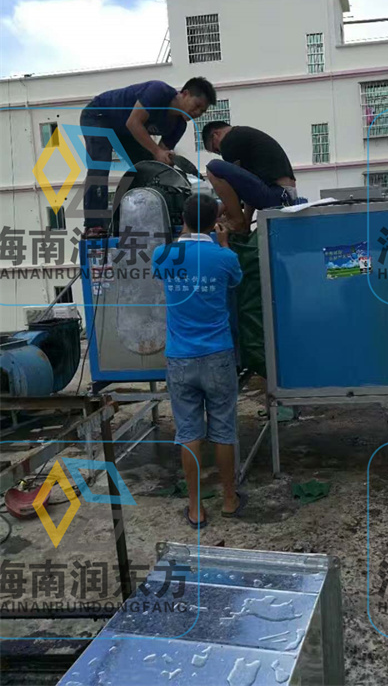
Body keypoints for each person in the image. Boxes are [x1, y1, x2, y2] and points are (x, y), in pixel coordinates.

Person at [152, 193, 246, 529]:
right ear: (215, 222)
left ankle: (195, 508)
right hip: (218, 354)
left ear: (182, 219)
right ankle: (230, 500)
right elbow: (235, 281)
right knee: (223, 430)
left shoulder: (163, 255)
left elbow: (163, 274)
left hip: (180, 357)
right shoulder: (225, 257)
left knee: (189, 432)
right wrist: (223, 243)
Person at [82, 77, 216, 233]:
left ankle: (144, 216)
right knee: (100, 165)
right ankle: (94, 224)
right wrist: (158, 151)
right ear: (185, 94)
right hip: (100, 116)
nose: (197, 113)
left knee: (147, 170)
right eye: (197, 105)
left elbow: (157, 161)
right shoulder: (159, 91)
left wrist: (165, 158)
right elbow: (133, 123)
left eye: (202, 111)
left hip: (125, 132)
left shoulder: (179, 126)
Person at [202, 122, 301, 233]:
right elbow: (246, 188)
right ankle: (239, 222)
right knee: (238, 218)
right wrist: (246, 222)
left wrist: (218, 215)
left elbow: (233, 189)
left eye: (216, 150)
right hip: (284, 197)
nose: (220, 153)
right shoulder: (244, 138)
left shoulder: (229, 139)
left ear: (215, 135)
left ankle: (236, 221)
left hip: (278, 194)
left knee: (213, 167)